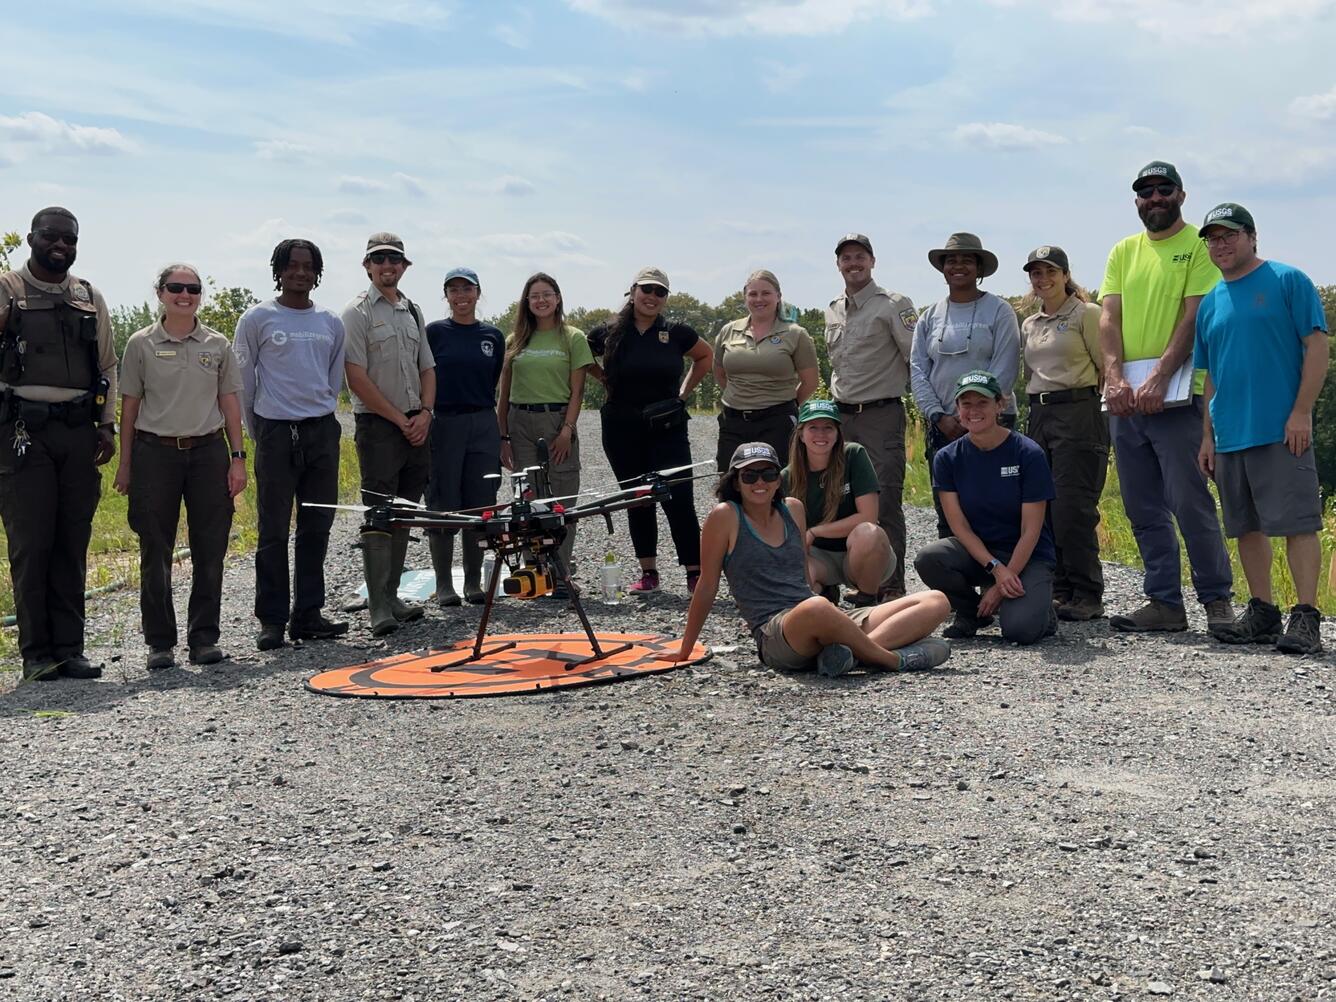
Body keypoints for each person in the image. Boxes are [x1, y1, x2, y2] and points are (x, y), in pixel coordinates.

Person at [672, 441, 951, 674]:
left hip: (815, 614)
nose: (760, 482)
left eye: (768, 474)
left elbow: (801, 569)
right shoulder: (725, 516)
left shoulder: (793, 509)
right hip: (776, 633)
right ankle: (891, 659)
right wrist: (685, 649)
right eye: (749, 475)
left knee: (936, 600)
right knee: (817, 606)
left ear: (778, 479)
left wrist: (828, 615)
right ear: (735, 481)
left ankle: (847, 656)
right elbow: (707, 584)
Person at [1099, 161, 1233, 634]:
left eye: (1163, 189)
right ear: (1136, 199)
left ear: (1180, 194)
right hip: (1125, 401)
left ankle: (1217, 601)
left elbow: (1194, 317)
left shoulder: (1198, 245)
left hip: (1176, 397)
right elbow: (1109, 318)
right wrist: (1113, 377)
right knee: (1141, 504)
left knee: (1189, 500)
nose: (1154, 198)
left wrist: (1158, 377)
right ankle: (1164, 603)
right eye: (1145, 191)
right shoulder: (1123, 250)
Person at [1194, 203, 1330, 655]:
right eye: (1213, 237)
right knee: (1246, 527)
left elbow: (1316, 347)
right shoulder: (1211, 300)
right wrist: (1208, 436)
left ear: (1252, 237)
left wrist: (1302, 412)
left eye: (1229, 234)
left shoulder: (1288, 280)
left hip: (1280, 428)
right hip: (1231, 432)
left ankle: (1307, 616)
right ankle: (1263, 613)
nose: (1221, 243)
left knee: (1298, 524)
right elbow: (1210, 375)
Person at [0, 206, 118, 681]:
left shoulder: (88, 295)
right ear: (31, 238)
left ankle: (70, 648)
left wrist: (106, 426)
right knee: (32, 543)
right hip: (21, 432)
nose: (61, 245)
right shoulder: (8, 289)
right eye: (52, 236)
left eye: (69, 238)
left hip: (77, 431)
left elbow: (108, 365)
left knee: (73, 540)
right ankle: (36, 654)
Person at [114, 264, 247, 669]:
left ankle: (204, 638)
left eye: (192, 288)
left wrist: (238, 458)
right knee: (155, 547)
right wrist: (126, 463)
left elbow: (229, 403)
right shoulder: (141, 344)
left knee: (211, 547)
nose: (184, 295)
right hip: (156, 453)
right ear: (160, 292)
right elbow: (130, 408)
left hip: (208, 452)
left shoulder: (217, 343)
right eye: (176, 288)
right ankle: (160, 643)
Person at [234, 238, 347, 651]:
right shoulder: (257, 318)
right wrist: (258, 429)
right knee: (273, 530)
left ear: (317, 273)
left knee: (317, 527)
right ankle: (272, 620)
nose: (300, 273)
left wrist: (318, 413)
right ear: (278, 270)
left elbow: (333, 380)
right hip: (275, 433)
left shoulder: (330, 322)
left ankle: (309, 614)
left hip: (320, 431)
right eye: (292, 265)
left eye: (308, 266)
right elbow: (244, 384)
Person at [588, 267, 713, 594]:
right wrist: (604, 379)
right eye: (647, 289)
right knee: (638, 499)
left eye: (660, 292)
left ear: (666, 298)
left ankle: (694, 573)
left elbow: (705, 357)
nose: (652, 297)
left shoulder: (676, 332)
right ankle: (649, 574)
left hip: (666, 426)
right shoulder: (609, 332)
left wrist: (682, 396)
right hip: (621, 427)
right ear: (633, 291)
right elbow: (580, 356)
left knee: (679, 498)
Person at [914, 371, 1057, 645]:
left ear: (1000, 405)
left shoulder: (1028, 453)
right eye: (966, 404)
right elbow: (959, 527)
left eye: (982, 403)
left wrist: (1007, 577)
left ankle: (1041, 610)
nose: (973, 411)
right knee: (929, 558)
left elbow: (1031, 529)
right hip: (981, 554)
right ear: (957, 409)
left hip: (1027, 555)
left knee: (1020, 631)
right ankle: (973, 611)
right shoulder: (947, 458)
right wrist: (995, 569)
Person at [342, 233, 436, 636]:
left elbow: (427, 368)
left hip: (417, 425)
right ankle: (377, 605)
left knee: (405, 511)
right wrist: (400, 419)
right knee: (379, 512)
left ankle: (394, 594)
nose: (387, 266)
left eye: (394, 260)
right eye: (379, 259)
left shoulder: (413, 310)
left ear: (405, 267)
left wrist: (426, 414)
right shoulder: (356, 312)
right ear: (367, 266)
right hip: (381, 427)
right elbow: (355, 376)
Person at [824, 233, 919, 599]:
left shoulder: (894, 304)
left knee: (883, 501)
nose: (853, 263)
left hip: (880, 414)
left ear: (872, 261)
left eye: (860, 256)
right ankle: (861, 581)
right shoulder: (832, 308)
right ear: (838, 265)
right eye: (846, 258)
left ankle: (890, 586)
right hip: (840, 417)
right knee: (841, 499)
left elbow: (916, 357)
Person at [909, 233, 1020, 537]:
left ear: (980, 268)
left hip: (995, 426)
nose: (958, 266)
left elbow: (1006, 365)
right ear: (943, 268)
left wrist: (974, 415)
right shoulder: (929, 317)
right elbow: (918, 370)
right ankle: (954, 580)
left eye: (967, 260)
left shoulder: (999, 311)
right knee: (949, 511)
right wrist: (938, 416)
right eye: (952, 260)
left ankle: (1000, 580)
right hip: (944, 428)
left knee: (999, 506)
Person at [1019, 245, 1108, 621]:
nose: (1043, 279)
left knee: (1073, 505)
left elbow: (1107, 366)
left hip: (1079, 410)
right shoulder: (1030, 324)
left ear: (1066, 274)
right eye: (1036, 273)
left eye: (1050, 271)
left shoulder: (1086, 314)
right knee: (1045, 506)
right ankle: (1060, 589)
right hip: (1041, 412)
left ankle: (1087, 592)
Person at [496, 272, 593, 598]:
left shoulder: (573, 338)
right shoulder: (515, 341)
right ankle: (534, 575)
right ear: (527, 301)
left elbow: (578, 391)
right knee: (528, 502)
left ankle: (561, 573)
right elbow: (504, 393)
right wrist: (503, 437)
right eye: (534, 295)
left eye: (547, 294)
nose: (541, 300)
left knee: (562, 499)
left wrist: (567, 429)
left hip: (557, 421)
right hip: (521, 421)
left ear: (557, 298)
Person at [424, 267, 504, 607]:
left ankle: (473, 582)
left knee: (480, 504)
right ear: (446, 296)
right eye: (454, 290)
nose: (461, 296)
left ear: (478, 293)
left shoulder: (493, 336)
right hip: (444, 422)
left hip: (482, 422)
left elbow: (495, 378)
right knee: (442, 502)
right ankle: (444, 584)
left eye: (467, 290)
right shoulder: (435, 333)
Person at [782, 398, 893, 606]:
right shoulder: (787, 477)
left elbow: (868, 516)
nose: (821, 435)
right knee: (799, 583)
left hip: (860, 552)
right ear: (801, 434)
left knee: (871, 532)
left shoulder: (854, 455)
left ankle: (867, 601)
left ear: (837, 433)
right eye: (813, 427)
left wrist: (815, 532)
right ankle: (821, 599)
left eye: (828, 428)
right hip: (819, 557)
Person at [713, 269, 819, 472]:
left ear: (778, 296)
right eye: (753, 294)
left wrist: (788, 404)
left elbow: (810, 382)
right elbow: (719, 373)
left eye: (766, 293)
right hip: (733, 421)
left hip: (776, 421)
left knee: (776, 482)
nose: (759, 299)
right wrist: (742, 395)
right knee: (729, 480)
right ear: (745, 298)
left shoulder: (795, 334)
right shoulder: (729, 331)